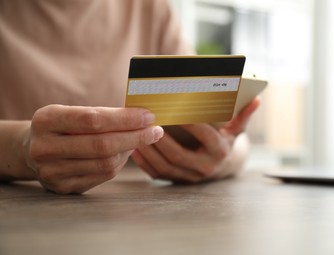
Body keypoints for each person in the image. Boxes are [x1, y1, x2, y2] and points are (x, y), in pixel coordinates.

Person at [0, 0, 260, 194]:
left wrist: (223, 158)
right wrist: (20, 148)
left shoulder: (151, 8)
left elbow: (232, 140)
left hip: (141, 216)